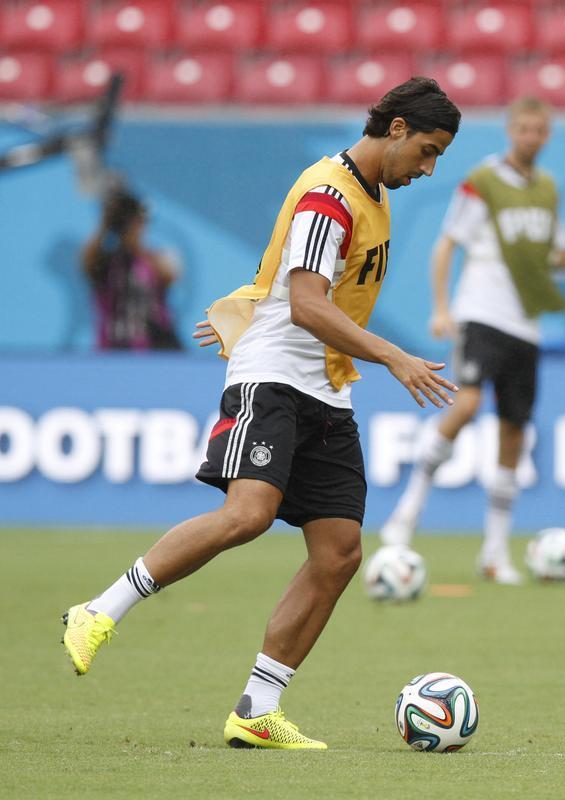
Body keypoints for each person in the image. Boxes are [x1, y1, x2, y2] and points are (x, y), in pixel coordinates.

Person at [60, 77, 462, 749]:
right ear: (395, 129)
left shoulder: (374, 197)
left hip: (327, 389)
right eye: (426, 151)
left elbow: (292, 278)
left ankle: (256, 708)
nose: (428, 168)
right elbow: (305, 301)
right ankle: (99, 610)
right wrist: (395, 356)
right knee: (248, 514)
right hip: (274, 378)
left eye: (438, 157)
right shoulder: (328, 196)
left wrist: (248, 303)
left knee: (338, 554)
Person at [379, 96, 565, 584]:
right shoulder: (482, 181)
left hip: (525, 324)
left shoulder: (547, 189)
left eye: (539, 130)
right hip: (481, 312)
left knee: (513, 433)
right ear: (510, 131)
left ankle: (495, 551)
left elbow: (549, 256)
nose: (530, 137)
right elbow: (446, 243)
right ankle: (406, 513)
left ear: (547, 136)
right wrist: (442, 308)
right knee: (464, 406)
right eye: (523, 128)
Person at [82, 185, 181, 350]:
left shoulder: (155, 258)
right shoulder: (105, 262)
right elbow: (87, 262)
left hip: (156, 347)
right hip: (113, 347)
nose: (138, 227)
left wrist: (135, 242)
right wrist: (107, 222)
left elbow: (170, 275)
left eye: (140, 222)